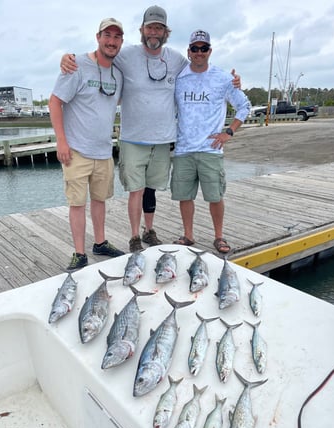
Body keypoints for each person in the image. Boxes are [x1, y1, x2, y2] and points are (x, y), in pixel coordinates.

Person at [60, 6, 241, 253]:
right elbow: (101, 53)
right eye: (150, 27)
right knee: (136, 190)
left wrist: (233, 82)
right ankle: (135, 236)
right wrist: (69, 57)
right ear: (142, 30)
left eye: (159, 28)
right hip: (133, 137)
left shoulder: (177, 59)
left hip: (163, 138)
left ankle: (150, 230)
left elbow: (201, 67)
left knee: (152, 189)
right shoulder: (126, 55)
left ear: (166, 32)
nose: (154, 32)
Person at [49, 18, 125, 271]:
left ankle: (100, 242)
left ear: (121, 41)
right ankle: (79, 252)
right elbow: (55, 101)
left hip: (104, 150)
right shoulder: (77, 65)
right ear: (98, 37)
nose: (111, 41)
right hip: (77, 150)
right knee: (77, 203)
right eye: (107, 35)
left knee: (100, 200)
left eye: (117, 37)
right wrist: (62, 141)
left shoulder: (119, 72)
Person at [171, 30, 251, 253]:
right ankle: (188, 235)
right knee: (184, 196)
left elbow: (244, 107)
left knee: (215, 196)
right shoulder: (179, 78)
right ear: (188, 51)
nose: (199, 52)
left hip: (211, 149)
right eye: (194, 49)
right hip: (183, 148)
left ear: (210, 51)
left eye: (203, 48)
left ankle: (219, 236)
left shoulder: (224, 78)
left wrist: (229, 132)